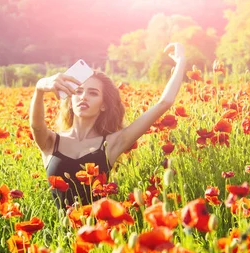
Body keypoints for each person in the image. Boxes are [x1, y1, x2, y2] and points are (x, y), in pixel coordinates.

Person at [29, 43, 186, 209]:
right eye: (79, 92)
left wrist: (181, 61)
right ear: (70, 101)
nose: (83, 97)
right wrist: (40, 88)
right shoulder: (51, 142)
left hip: (100, 232)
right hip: (59, 234)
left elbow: (164, 102)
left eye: (93, 93)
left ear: (103, 105)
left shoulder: (111, 144)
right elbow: (36, 126)